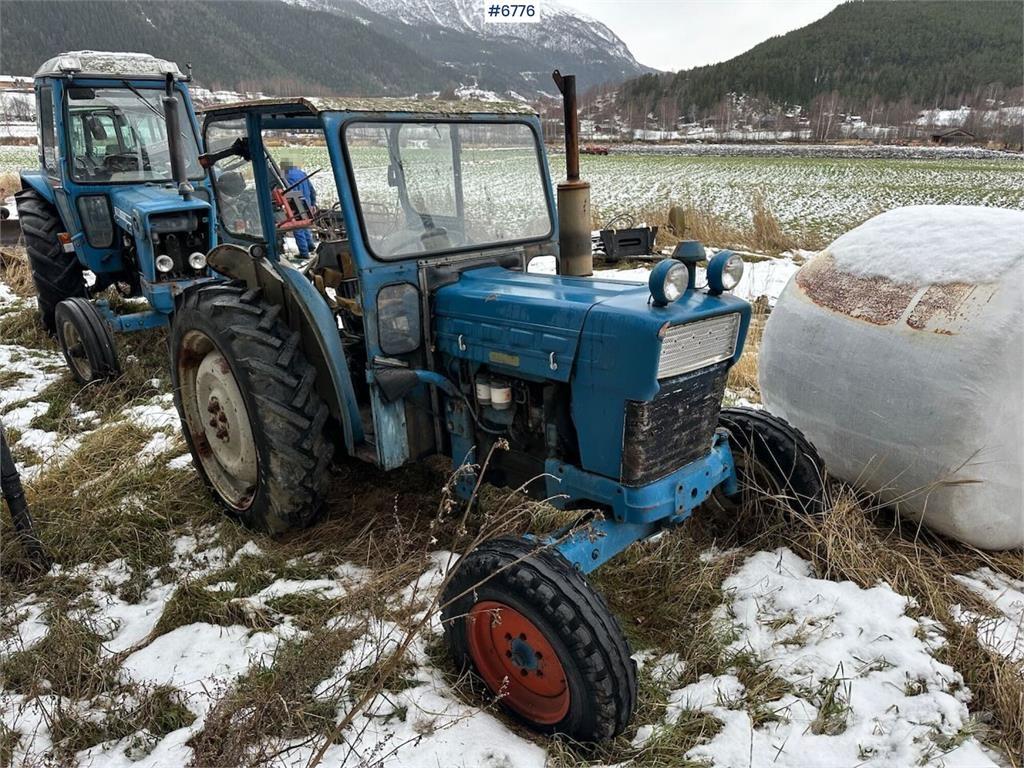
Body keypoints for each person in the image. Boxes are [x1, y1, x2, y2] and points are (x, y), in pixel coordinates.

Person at [280, 159, 317, 258]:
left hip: (296, 202)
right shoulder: (302, 173)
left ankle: (304, 253)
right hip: (307, 201)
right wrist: (313, 202)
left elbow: (286, 193)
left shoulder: (285, 177)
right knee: (305, 224)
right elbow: (311, 189)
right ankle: (310, 246)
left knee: (297, 227)